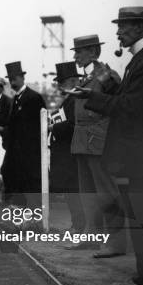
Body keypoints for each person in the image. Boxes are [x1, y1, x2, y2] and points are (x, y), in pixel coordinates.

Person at [72, 6, 143, 285]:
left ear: (139, 28)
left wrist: (93, 97)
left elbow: (130, 107)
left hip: (142, 157)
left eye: (123, 27)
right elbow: (130, 101)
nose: (117, 32)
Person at [69, 35, 125, 255]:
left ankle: (116, 242)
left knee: (106, 192)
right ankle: (92, 235)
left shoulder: (106, 75)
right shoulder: (86, 77)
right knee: (87, 192)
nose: (75, 56)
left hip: (99, 139)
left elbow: (118, 104)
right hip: (83, 140)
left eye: (79, 52)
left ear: (93, 52)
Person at [2, 61, 46, 206]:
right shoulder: (16, 99)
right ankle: (23, 213)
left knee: (31, 184)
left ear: (22, 78)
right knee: (18, 181)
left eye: (15, 77)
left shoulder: (34, 97)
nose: (12, 81)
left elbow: (38, 127)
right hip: (18, 151)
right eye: (10, 78)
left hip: (30, 152)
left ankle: (35, 216)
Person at [48, 62, 85, 232]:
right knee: (72, 193)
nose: (59, 87)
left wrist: (53, 127)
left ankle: (79, 226)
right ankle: (77, 224)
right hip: (67, 153)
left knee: (74, 191)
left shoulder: (76, 99)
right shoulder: (69, 99)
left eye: (61, 83)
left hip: (71, 154)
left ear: (71, 82)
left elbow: (73, 125)